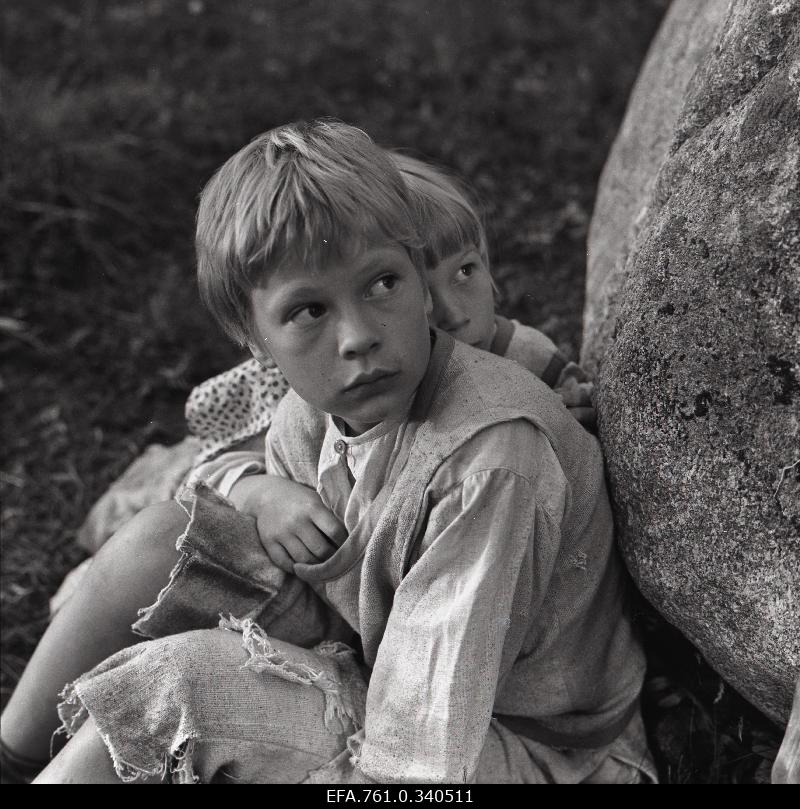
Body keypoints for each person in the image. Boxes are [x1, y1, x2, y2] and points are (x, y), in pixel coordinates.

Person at [23, 119, 653, 784]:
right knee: (162, 541)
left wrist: (244, 703)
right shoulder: (313, 411)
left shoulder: (487, 461)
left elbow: (421, 763)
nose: (358, 336)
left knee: (178, 690)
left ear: (415, 266)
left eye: (381, 283)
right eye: (309, 311)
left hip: (525, 751)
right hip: (377, 656)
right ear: (254, 337)